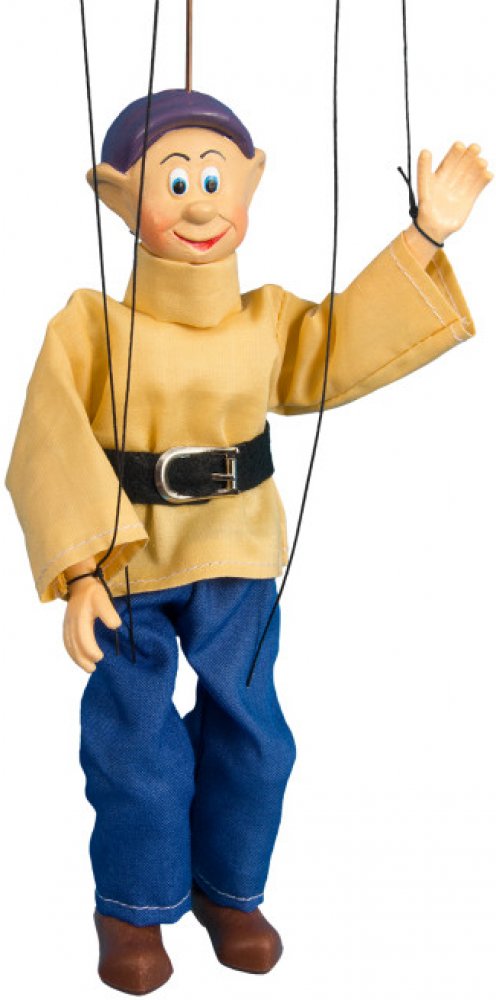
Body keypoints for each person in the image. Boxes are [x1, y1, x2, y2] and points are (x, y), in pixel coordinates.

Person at [6, 88, 491, 994]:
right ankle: (134, 904)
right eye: (175, 182)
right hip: (128, 560)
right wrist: (79, 568)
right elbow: (48, 438)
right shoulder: (90, 325)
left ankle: (227, 887)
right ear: (119, 197)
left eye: (215, 180)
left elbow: (338, 345)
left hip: (239, 556)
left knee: (256, 735)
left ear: (251, 185)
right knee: (137, 742)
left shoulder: (265, 319)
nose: (199, 205)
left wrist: (425, 236)